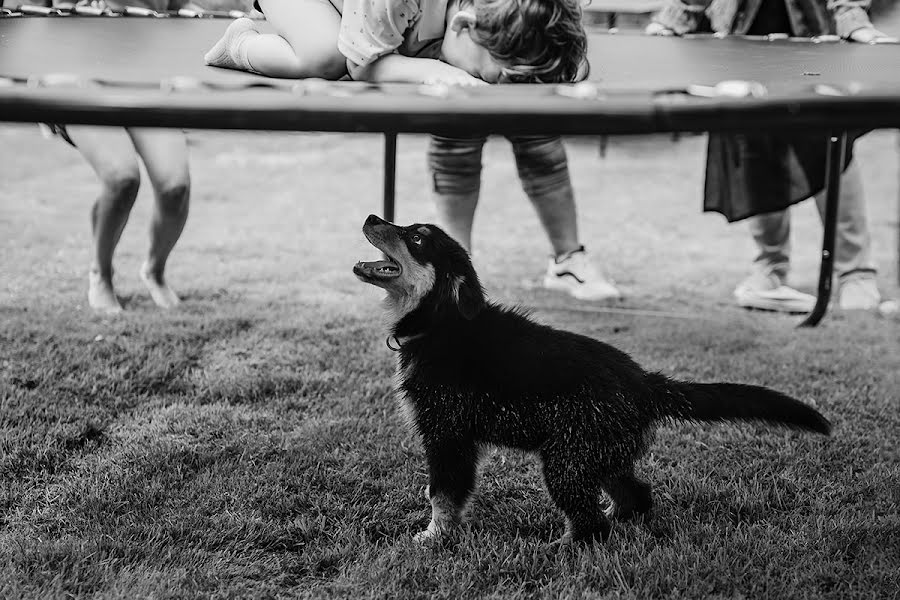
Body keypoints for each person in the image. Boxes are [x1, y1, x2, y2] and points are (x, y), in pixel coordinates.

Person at [206, 0, 620, 299]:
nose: (494, 88)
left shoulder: (516, 19)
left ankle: (557, 261)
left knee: (497, 113)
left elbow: (551, 54)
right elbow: (361, 66)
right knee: (324, 57)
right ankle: (238, 43)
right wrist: (438, 72)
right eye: (493, 74)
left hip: (386, 21)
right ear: (462, 26)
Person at [648, 0, 895, 312]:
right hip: (740, 38)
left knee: (833, 147)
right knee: (755, 149)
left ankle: (856, 273)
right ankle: (770, 269)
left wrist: (852, 18)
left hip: (815, 35)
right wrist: (678, 15)